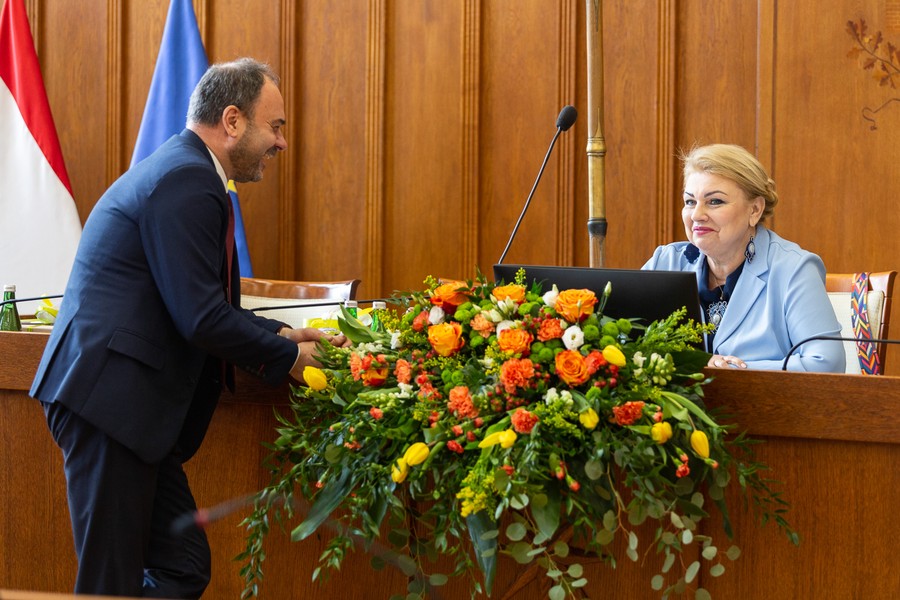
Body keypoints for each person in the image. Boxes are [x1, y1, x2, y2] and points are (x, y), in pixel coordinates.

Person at [30, 58, 347, 598]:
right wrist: (291, 361)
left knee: (182, 566)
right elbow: (199, 316)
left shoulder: (187, 172)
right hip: (109, 405)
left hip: (122, 410)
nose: (281, 143)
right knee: (110, 584)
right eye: (275, 126)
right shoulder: (188, 180)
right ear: (232, 120)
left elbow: (194, 302)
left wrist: (281, 336)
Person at [643, 143, 844, 372]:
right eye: (690, 202)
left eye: (714, 201)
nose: (697, 215)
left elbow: (827, 364)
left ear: (755, 210)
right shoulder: (665, 262)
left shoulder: (794, 269)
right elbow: (621, 343)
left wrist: (731, 371)